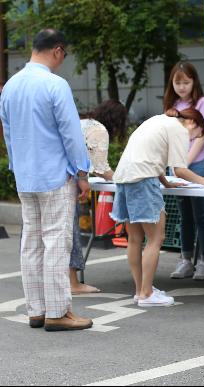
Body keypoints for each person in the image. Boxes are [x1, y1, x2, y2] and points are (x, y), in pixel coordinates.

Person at [0, 29, 93, 331]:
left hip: (25, 176)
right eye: (64, 55)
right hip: (54, 175)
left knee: (31, 243)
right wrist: (82, 172)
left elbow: (9, 134)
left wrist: (16, 166)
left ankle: (36, 310)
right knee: (56, 242)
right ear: (57, 50)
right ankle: (58, 312)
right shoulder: (55, 84)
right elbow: (71, 133)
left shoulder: (11, 86)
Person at [110, 108, 204, 307]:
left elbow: (152, 156)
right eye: (197, 136)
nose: (193, 139)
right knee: (156, 238)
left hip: (124, 178)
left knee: (134, 239)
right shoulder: (179, 128)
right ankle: (147, 294)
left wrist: (167, 184)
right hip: (143, 180)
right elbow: (180, 170)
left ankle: (140, 290)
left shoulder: (158, 120)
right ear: (193, 124)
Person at [163, 62, 204, 281]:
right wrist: (176, 164)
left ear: (194, 81)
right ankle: (185, 260)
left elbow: (201, 136)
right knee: (184, 215)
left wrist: (183, 163)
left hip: (198, 162)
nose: (182, 86)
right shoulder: (172, 105)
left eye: (186, 82)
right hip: (178, 165)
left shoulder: (203, 102)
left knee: (200, 214)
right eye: (178, 82)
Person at [69, 100, 128, 294]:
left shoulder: (83, 122)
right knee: (70, 232)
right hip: (68, 181)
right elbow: (101, 168)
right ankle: (73, 283)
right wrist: (123, 177)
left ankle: (64, 281)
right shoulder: (98, 129)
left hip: (52, 176)